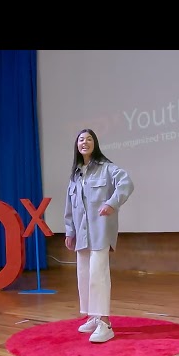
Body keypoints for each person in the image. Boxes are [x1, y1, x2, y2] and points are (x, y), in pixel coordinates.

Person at [63, 128, 134, 343]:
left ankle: (105, 323)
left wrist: (112, 203)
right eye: (81, 139)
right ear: (77, 145)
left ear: (95, 144)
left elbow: (127, 183)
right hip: (81, 234)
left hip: (100, 232)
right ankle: (93, 317)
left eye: (89, 139)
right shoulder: (75, 175)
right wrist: (70, 231)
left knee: (98, 275)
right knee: (84, 275)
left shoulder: (107, 168)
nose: (84, 142)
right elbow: (70, 206)